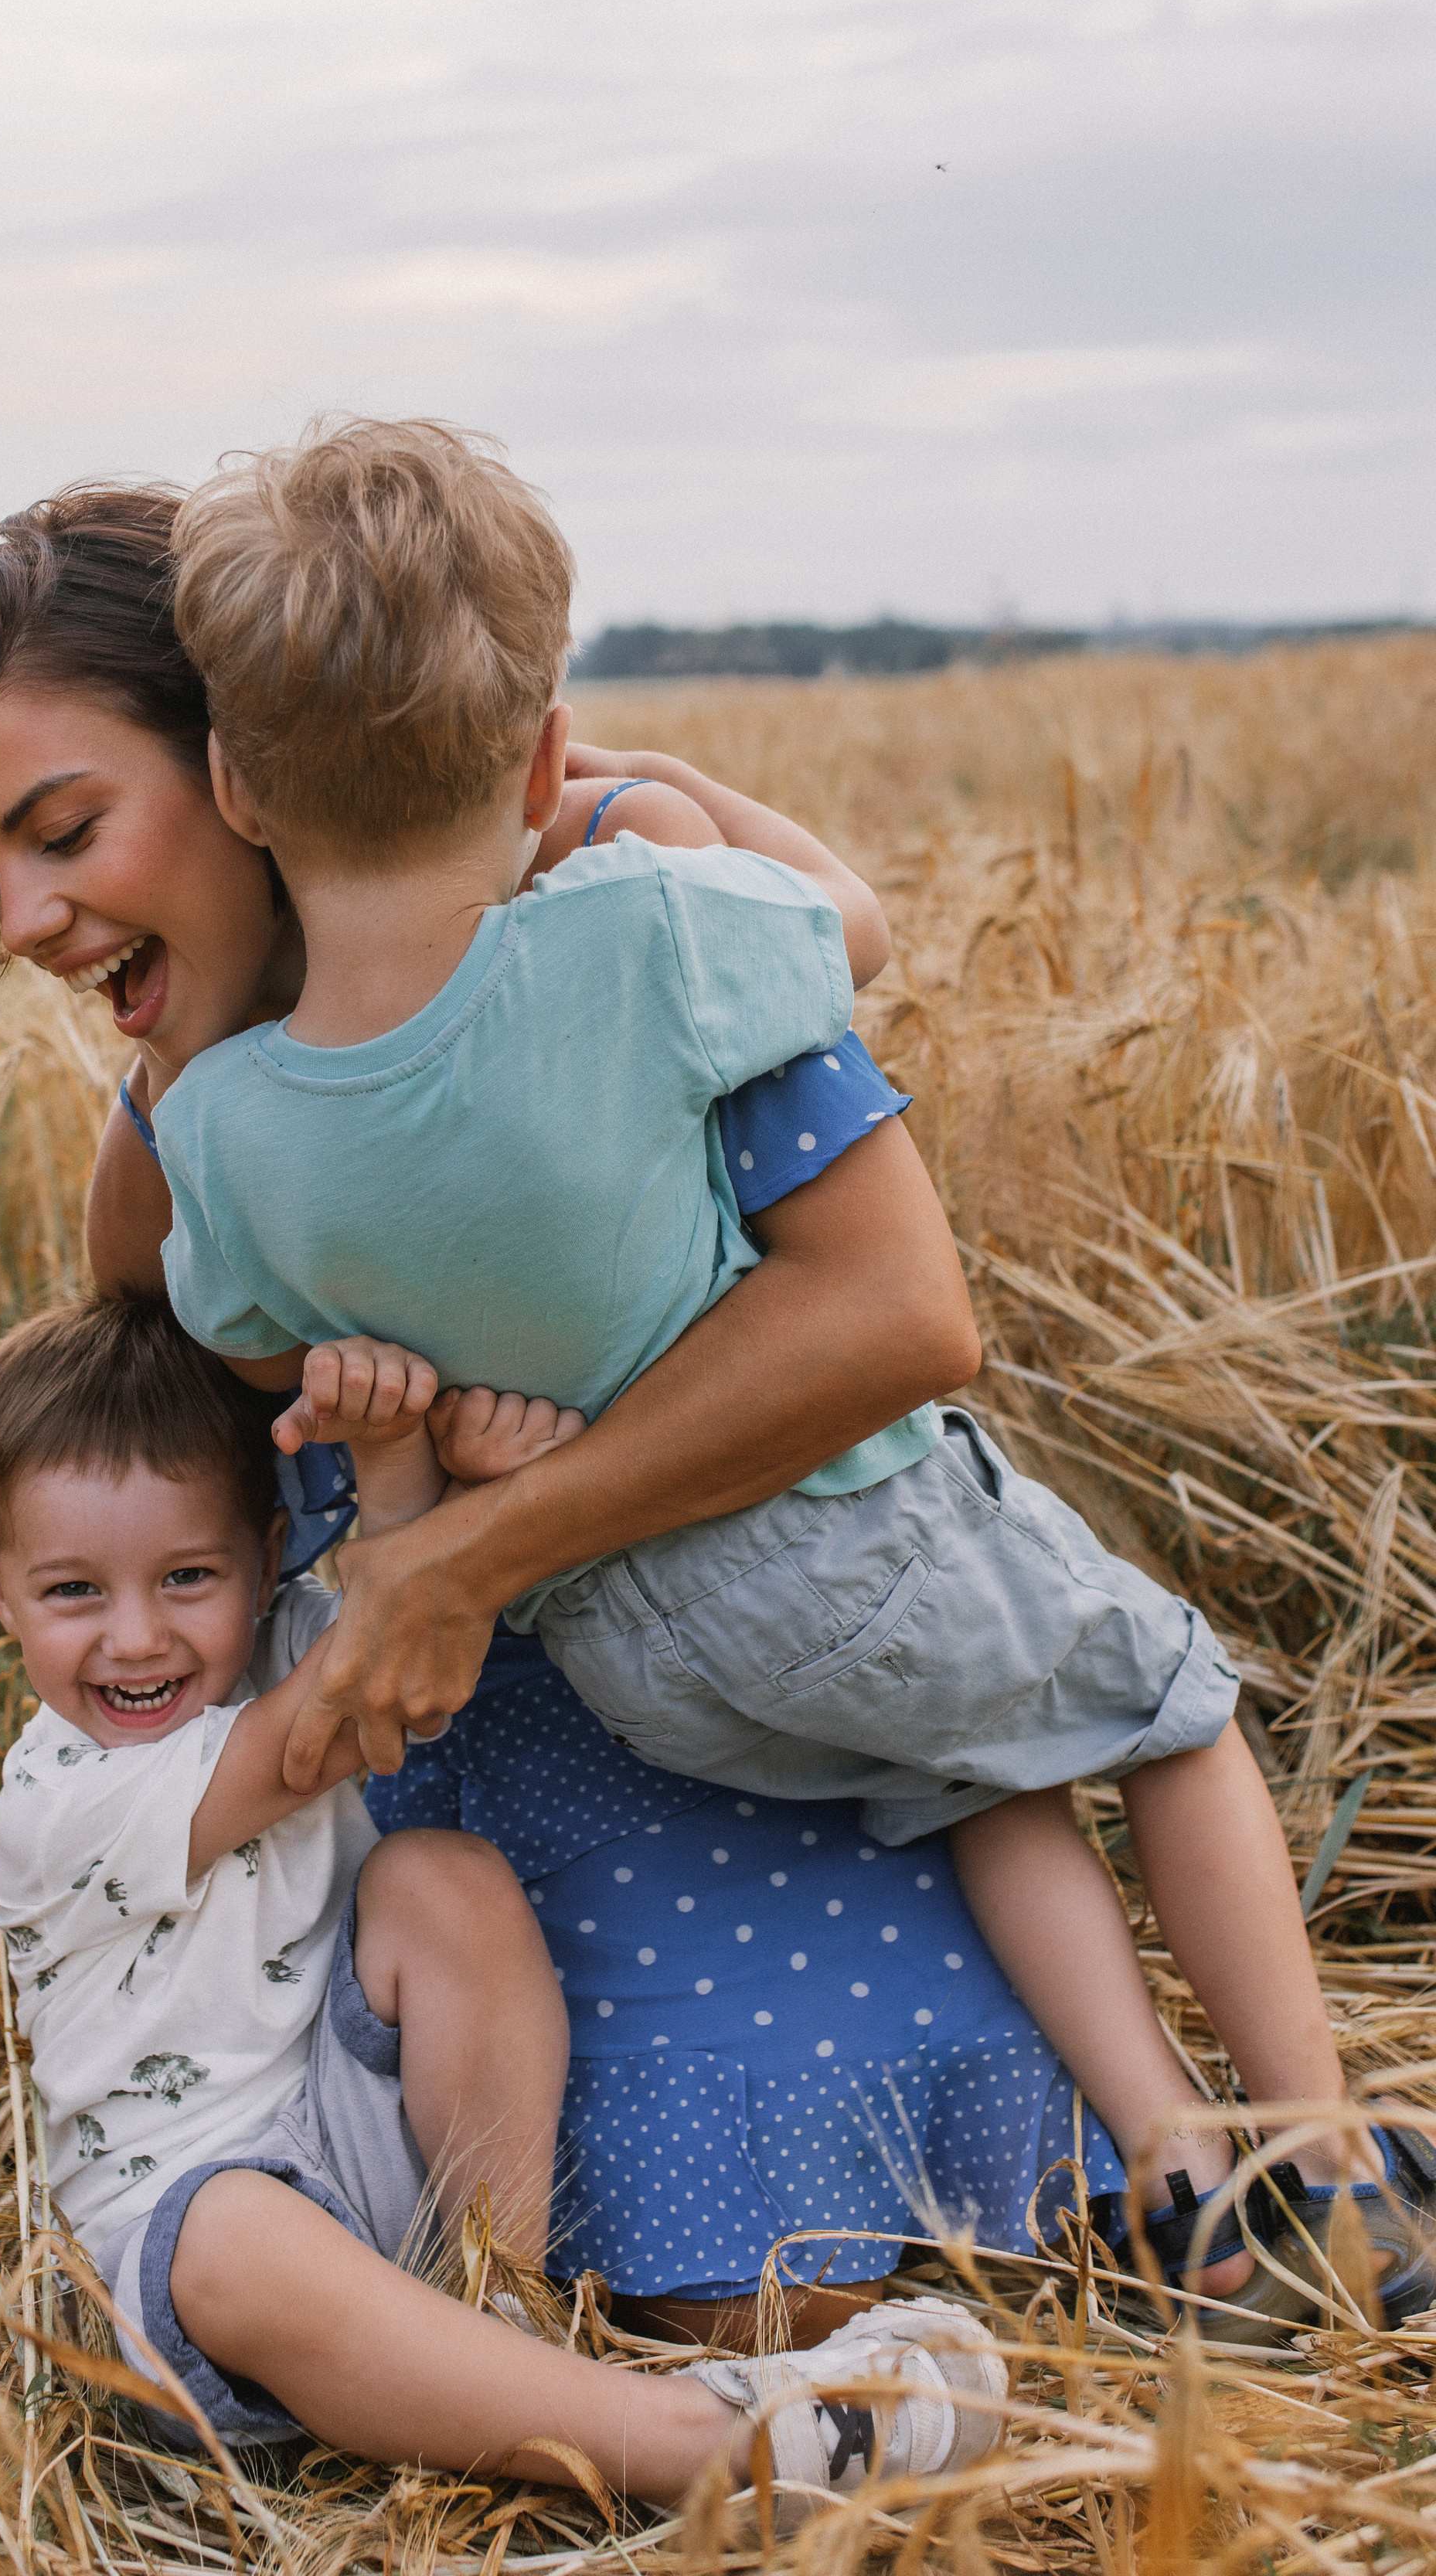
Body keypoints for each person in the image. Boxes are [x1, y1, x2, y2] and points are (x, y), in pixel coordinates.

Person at [0, 485, 1189, 2342]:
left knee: (854, 2273)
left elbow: (893, 1315)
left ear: (244, 766)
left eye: (60, 834)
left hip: (745, 1704)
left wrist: (471, 1548)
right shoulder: (174, 1141)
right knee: (625, 2285)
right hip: (418, 1819)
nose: (26, 922)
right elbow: (185, 1468)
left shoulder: (615, 942)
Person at [155, 415, 1433, 2333]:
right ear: (532, 748)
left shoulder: (227, 1118)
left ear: (236, 790)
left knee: (985, 1785)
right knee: (1164, 1718)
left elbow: (242, 1323)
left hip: (617, 1642)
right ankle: (1311, 2159)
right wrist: (668, 794)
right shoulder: (643, 933)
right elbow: (860, 934)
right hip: (828, 1531)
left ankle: (1168, 2150)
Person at [0, 1288, 1008, 2510]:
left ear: (261, 1552)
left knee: (441, 1882)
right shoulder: (56, 1799)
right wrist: (436, 1480)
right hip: (178, 2263)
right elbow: (345, 1711)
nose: (136, 1638)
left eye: (187, 1575)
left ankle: (501, 2302)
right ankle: (697, 2446)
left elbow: (412, 1634)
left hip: (356, 2142)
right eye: (74, 1593)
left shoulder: (279, 1644)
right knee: (232, 2233)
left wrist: (411, 1469)